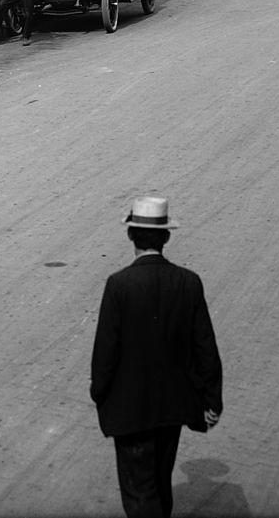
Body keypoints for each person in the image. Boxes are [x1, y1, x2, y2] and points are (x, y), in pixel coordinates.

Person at [89, 196, 223, 518]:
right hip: (172, 409)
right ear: (166, 237)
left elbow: (105, 352)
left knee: (140, 494)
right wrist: (211, 400)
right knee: (160, 486)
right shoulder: (188, 283)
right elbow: (205, 347)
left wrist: (100, 393)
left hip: (131, 412)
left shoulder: (118, 285)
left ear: (130, 236)